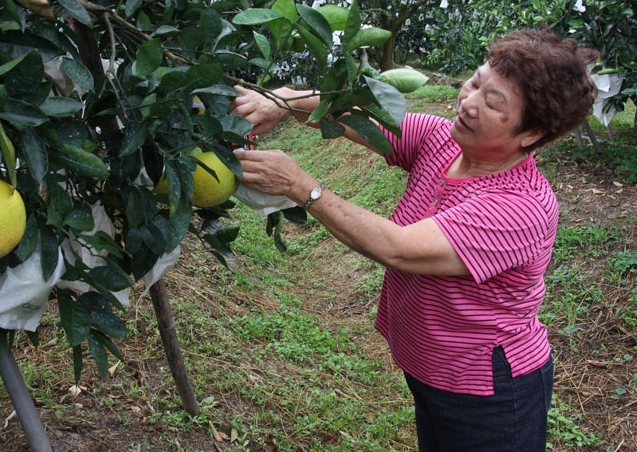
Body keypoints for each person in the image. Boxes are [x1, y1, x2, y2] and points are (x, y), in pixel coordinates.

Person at [229, 28, 600, 451]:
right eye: (476, 82)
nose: (469, 102)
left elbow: (398, 248)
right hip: (432, 371)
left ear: (531, 134)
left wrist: (301, 186)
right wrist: (282, 100)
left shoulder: (519, 207)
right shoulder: (444, 141)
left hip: (488, 391)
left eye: (493, 102)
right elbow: (359, 116)